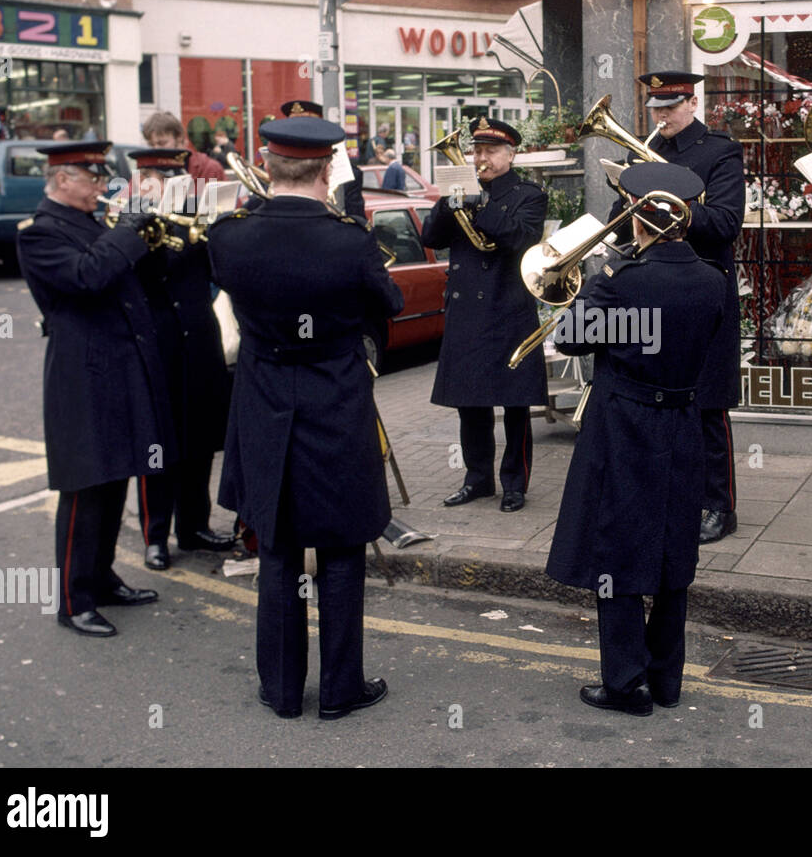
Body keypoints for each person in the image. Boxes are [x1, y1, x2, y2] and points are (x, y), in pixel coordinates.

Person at [208, 115, 403, 719]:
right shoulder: (348, 237)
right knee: (342, 548)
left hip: (264, 401)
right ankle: (342, 690)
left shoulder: (229, 234)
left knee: (278, 549)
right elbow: (389, 304)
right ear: (326, 169)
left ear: (268, 165)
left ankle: (283, 690)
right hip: (335, 400)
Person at [546, 162, 726, 715]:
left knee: (616, 549)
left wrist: (601, 278)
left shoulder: (621, 282)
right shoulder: (713, 280)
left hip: (624, 426)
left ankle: (625, 684)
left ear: (637, 219)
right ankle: (666, 681)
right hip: (682, 425)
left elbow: (570, 340)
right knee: (674, 550)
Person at [17, 142, 171, 637]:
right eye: (91, 177)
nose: (102, 187)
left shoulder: (91, 223)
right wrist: (128, 227)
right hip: (82, 374)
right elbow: (88, 276)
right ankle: (72, 598)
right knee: (84, 486)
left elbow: (127, 275)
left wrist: (151, 234)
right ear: (62, 179)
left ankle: (102, 578)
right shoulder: (39, 233)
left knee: (115, 476)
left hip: (119, 366)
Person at [624, 71, 745, 544]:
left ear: (692, 103)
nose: (661, 117)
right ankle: (675, 495)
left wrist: (673, 207)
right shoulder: (645, 151)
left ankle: (719, 505)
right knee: (663, 398)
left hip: (704, 288)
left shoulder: (720, 151)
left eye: (670, 107)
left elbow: (726, 223)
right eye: (655, 109)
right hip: (656, 286)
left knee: (708, 404)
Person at [420, 117, 548, 513]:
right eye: (476, 150)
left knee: (515, 405)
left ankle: (514, 484)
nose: (480, 158)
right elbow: (431, 238)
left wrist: (483, 204)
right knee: (470, 403)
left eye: (490, 151)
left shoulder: (530, 194)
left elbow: (520, 239)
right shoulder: (462, 189)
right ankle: (477, 479)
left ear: (510, 155)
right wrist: (448, 203)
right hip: (468, 314)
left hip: (508, 310)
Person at [126, 149, 236, 571]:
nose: (170, 180)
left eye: (175, 174)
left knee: (200, 439)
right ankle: (156, 536)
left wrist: (216, 230)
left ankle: (194, 526)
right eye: (160, 174)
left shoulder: (197, 213)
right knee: (158, 446)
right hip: (158, 345)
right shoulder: (130, 217)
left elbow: (218, 272)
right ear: (144, 178)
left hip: (200, 341)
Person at [142, 112, 225, 185]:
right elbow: (133, 201)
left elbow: (229, 200)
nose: (156, 150)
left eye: (162, 143)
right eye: (151, 145)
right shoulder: (145, 171)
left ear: (179, 138)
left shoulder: (209, 168)